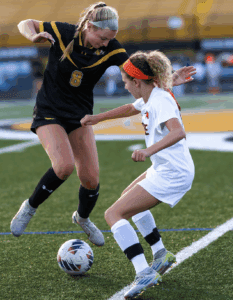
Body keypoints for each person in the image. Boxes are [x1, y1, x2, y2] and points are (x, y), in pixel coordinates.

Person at [10, 2, 196, 248]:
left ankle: (83, 218)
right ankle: (30, 208)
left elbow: (139, 76)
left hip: (80, 115)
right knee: (64, 166)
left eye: (110, 40)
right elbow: (26, 23)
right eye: (103, 37)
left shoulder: (112, 49)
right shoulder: (64, 32)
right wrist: (33, 35)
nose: (106, 43)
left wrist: (169, 81)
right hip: (49, 111)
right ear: (89, 27)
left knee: (91, 179)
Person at [80, 50, 195, 298]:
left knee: (113, 213)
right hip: (166, 167)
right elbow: (130, 108)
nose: (124, 86)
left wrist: (148, 151)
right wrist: (97, 118)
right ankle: (161, 253)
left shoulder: (160, 99)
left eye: (125, 82)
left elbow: (178, 132)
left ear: (137, 81)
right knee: (127, 199)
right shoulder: (151, 96)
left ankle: (143, 271)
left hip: (173, 172)